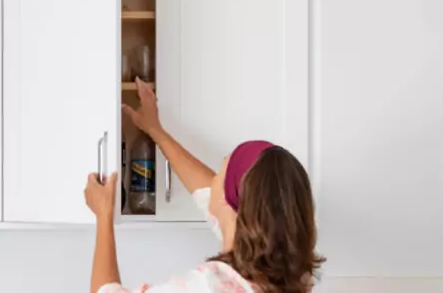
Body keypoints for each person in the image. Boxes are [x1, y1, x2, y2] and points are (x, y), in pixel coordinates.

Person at [84, 79, 323, 293]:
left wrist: (104, 215)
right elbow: (211, 193)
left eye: (221, 171)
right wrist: (154, 130)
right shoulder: (297, 278)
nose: (214, 178)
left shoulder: (207, 286)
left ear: (230, 202)